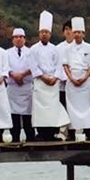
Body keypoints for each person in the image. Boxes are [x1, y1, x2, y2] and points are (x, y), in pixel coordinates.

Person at [30, 11, 70, 140]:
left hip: (53, 83)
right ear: (39, 33)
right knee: (40, 109)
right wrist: (43, 77)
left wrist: (55, 78)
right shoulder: (33, 49)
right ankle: (41, 134)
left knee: (52, 109)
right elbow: (33, 66)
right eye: (42, 32)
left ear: (50, 34)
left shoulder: (55, 49)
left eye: (46, 32)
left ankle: (52, 133)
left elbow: (59, 65)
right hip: (40, 83)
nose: (44, 34)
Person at [62, 17, 90, 141]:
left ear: (84, 34)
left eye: (80, 32)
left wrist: (84, 78)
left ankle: (89, 132)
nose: (77, 34)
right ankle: (71, 133)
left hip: (85, 80)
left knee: (87, 106)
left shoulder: (89, 47)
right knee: (71, 107)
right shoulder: (67, 48)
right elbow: (65, 65)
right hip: (71, 80)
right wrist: (71, 78)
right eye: (75, 32)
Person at [6, 27, 35, 142]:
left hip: (26, 86)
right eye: (16, 37)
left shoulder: (31, 52)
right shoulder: (7, 53)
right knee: (14, 115)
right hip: (13, 87)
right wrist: (14, 75)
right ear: (13, 39)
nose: (18, 39)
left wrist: (22, 75)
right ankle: (15, 138)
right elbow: (5, 67)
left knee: (28, 115)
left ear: (24, 39)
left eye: (21, 37)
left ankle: (30, 139)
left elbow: (34, 66)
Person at [57, 20, 73, 109]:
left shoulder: (79, 47)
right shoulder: (58, 48)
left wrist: (72, 78)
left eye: (71, 29)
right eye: (66, 29)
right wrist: (64, 78)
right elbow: (57, 66)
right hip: (61, 85)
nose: (68, 31)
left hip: (75, 84)